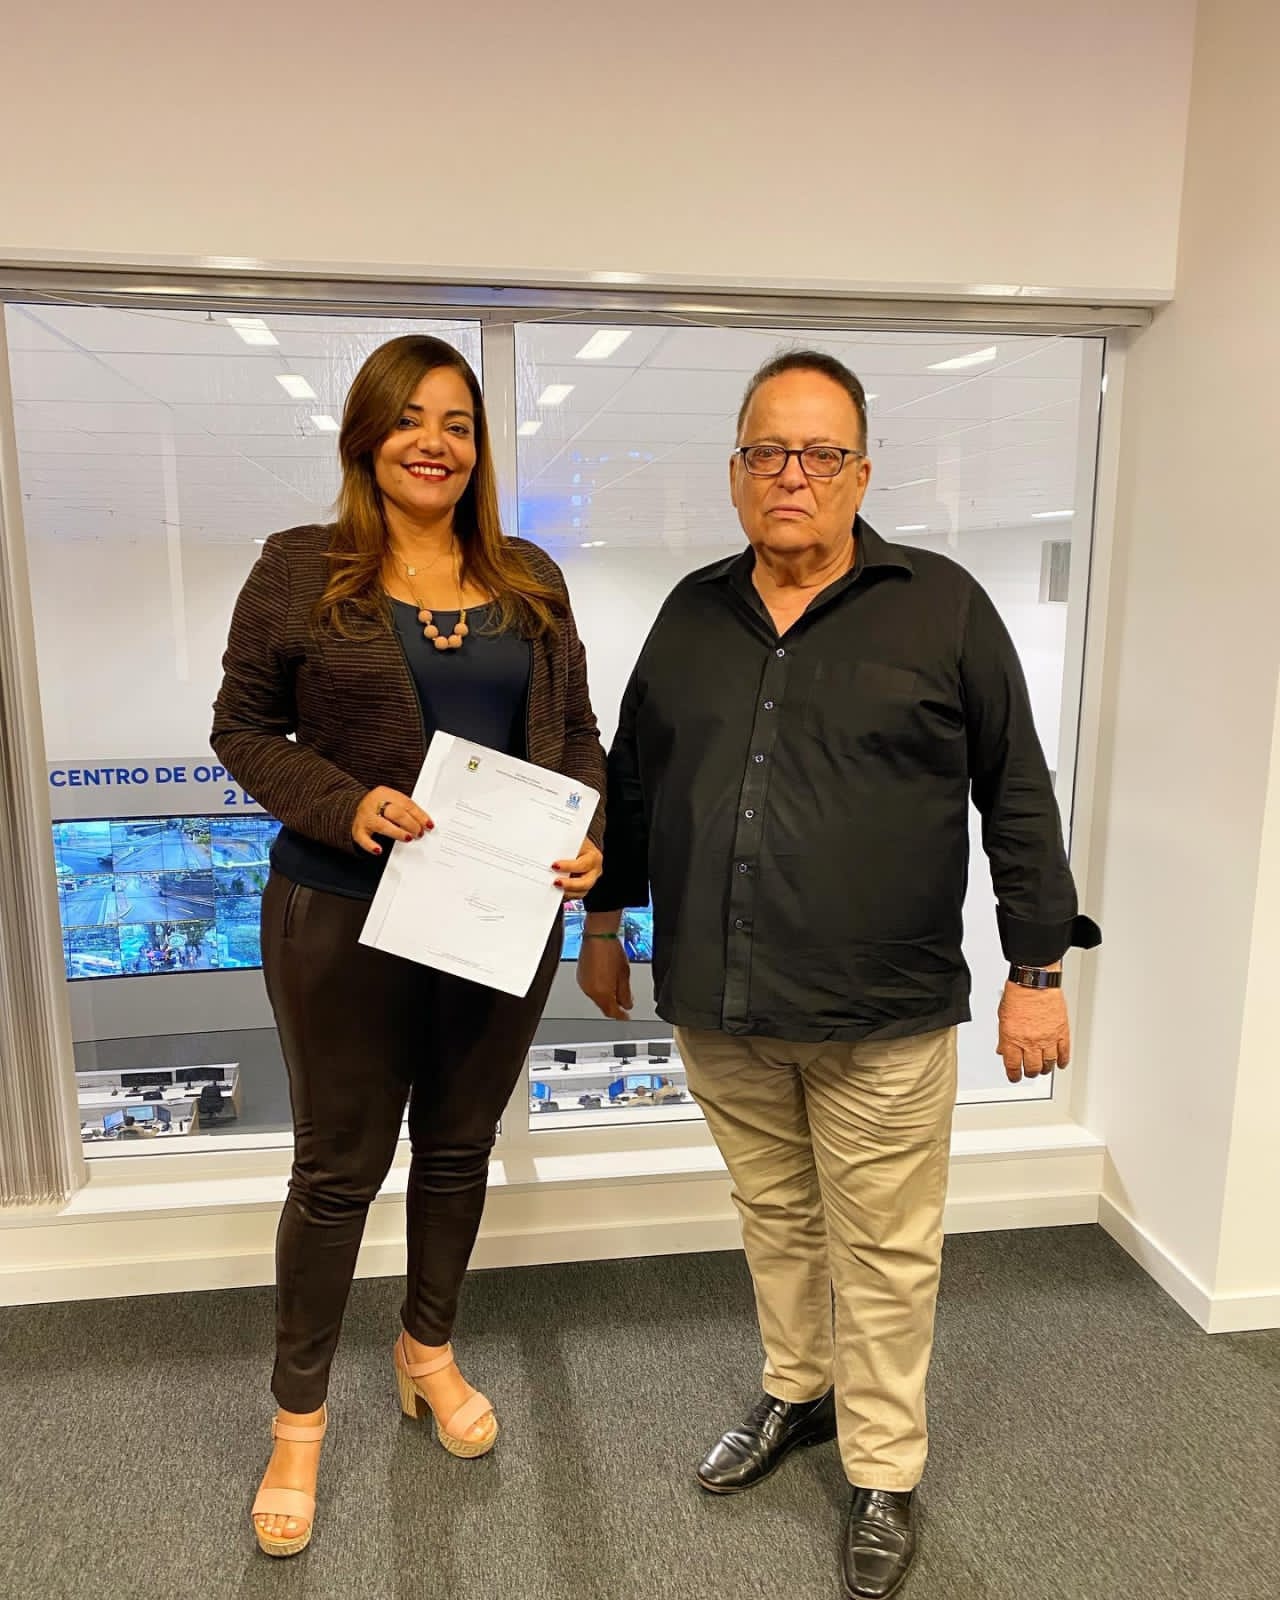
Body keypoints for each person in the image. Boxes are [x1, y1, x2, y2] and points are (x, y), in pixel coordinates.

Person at [578, 351, 1100, 1600]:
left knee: (882, 1249)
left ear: (862, 473)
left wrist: (1035, 966)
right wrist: (603, 920)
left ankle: (882, 1468)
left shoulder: (942, 607)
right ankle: (797, 1391)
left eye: (819, 454)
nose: (791, 476)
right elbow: (635, 784)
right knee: (774, 1220)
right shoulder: (689, 615)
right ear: (734, 473)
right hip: (721, 1001)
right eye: (767, 452)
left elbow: (1016, 795)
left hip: (881, 1011)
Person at [212, 334, 606, 1559]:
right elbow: (241, 729)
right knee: (337, 1173)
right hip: (341, 909)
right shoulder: (298, 567)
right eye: (409, 419)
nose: (434, 443)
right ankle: (298, 1421)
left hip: (498, 913)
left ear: (478, 448)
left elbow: (577, 735)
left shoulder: (528, 576)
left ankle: (426, 1350)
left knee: (457, 1148)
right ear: (365, 435)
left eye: (458, 423)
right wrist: (346, 802)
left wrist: (587, 831)